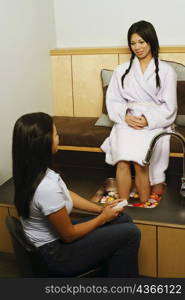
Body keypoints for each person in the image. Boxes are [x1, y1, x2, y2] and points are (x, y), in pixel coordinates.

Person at [12, 112, 140, 277]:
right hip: (56, 254)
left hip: (55, 241)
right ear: (43, 142)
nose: (59, 137)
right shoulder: (46, 187)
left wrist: (100, 210)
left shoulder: (31, 171)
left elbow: (67, 194)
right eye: (56, 134)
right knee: (131, 233)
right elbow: (69, 235)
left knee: (122, 219)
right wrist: (102, 219)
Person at [101, 20, 177, 203]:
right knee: (122, 160)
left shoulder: (167, 71)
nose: (137, 47)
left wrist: (148, 119)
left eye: (141, 42)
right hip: (128, 119)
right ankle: (123, 205)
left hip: (154, 121)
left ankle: (143, 204)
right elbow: (113, 100)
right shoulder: (122, 70)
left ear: (151, 41)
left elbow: (170, 107)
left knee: (139, 160)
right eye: (133, 43)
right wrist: (125, 116)